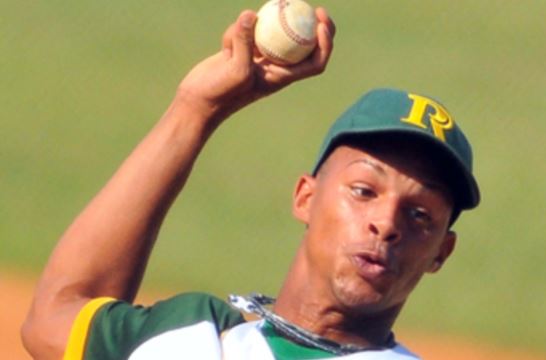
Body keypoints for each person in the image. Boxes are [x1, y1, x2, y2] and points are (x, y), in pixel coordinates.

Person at [22, 6, 480, 360]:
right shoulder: (189, 333)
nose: (386, 223)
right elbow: (53, 319)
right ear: (305, 196)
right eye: (363, 191)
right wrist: (196, 110)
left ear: (441, 251)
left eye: (420, 215)